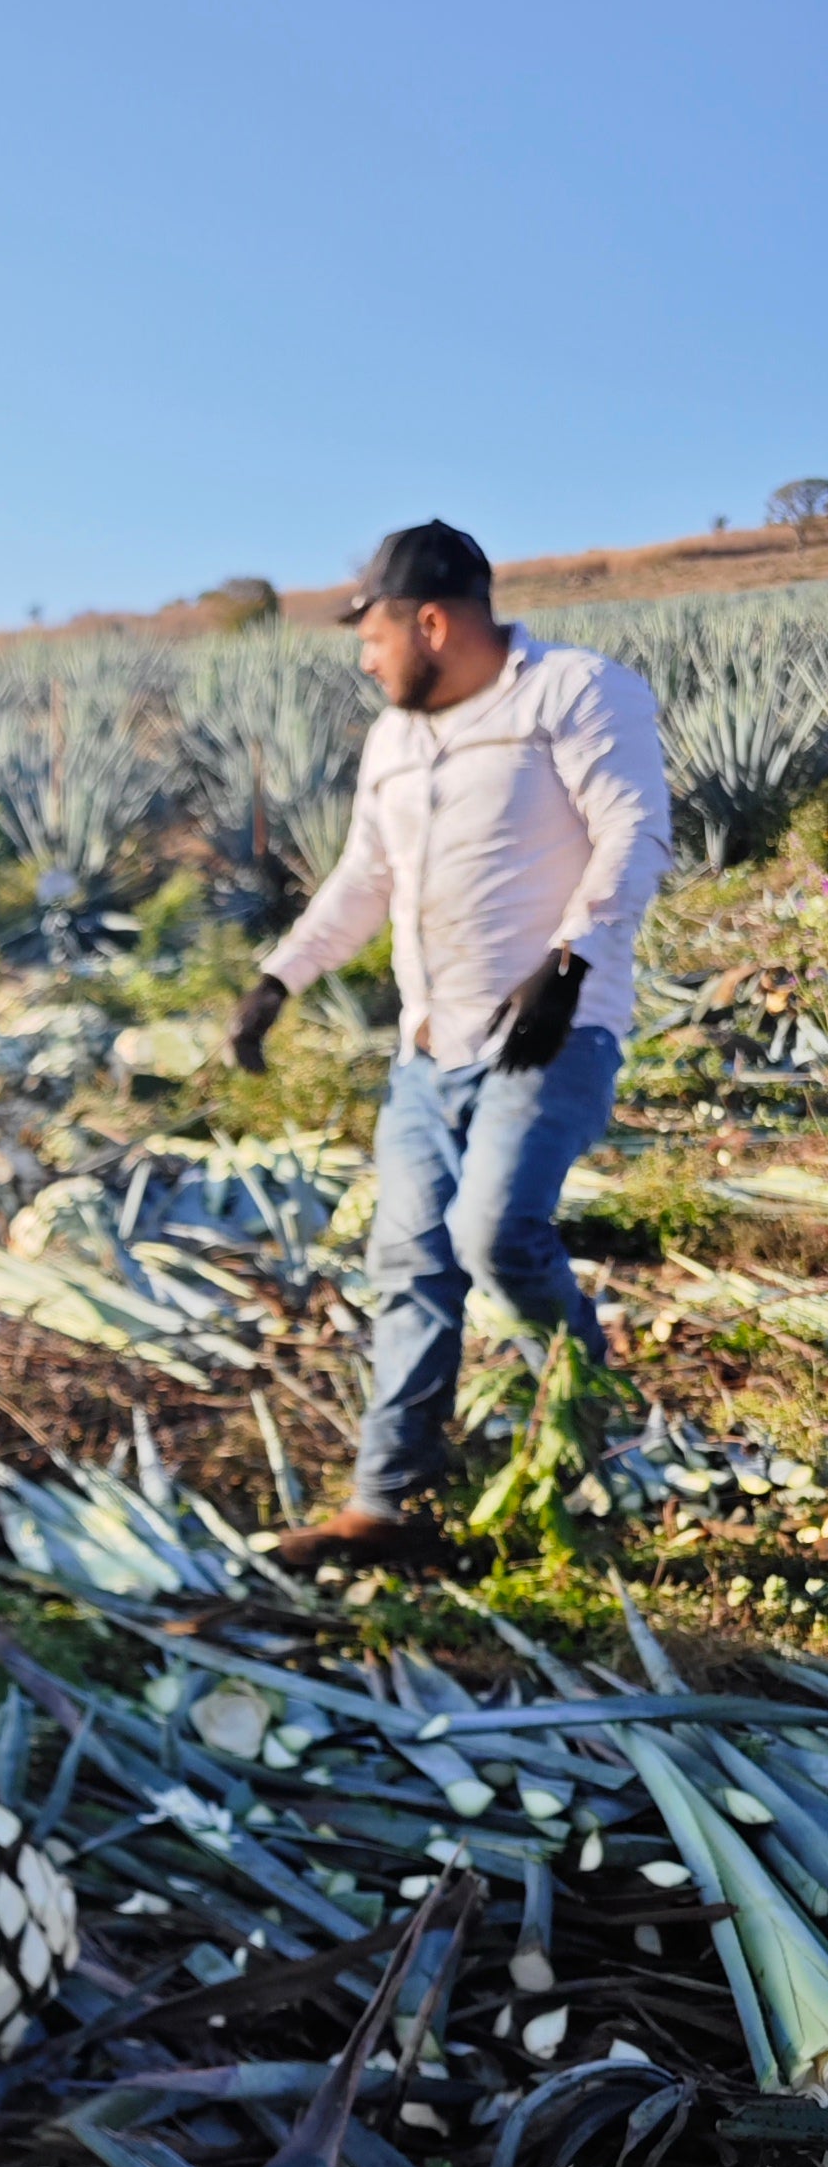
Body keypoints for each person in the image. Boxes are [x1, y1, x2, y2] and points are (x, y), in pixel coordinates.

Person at [230, 521, 670, 1571]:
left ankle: (591, 1450)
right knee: (410, 1263)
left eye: (373, 634)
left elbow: (632, 831)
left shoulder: (573, 692)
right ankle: (389, 1502)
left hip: (548, 1034)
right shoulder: (395, 740)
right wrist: (278, 979)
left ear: (430, 622)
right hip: (427, 1055)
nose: (365, 658)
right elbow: (363, 878)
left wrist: (570, 963)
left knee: (495, 1237)